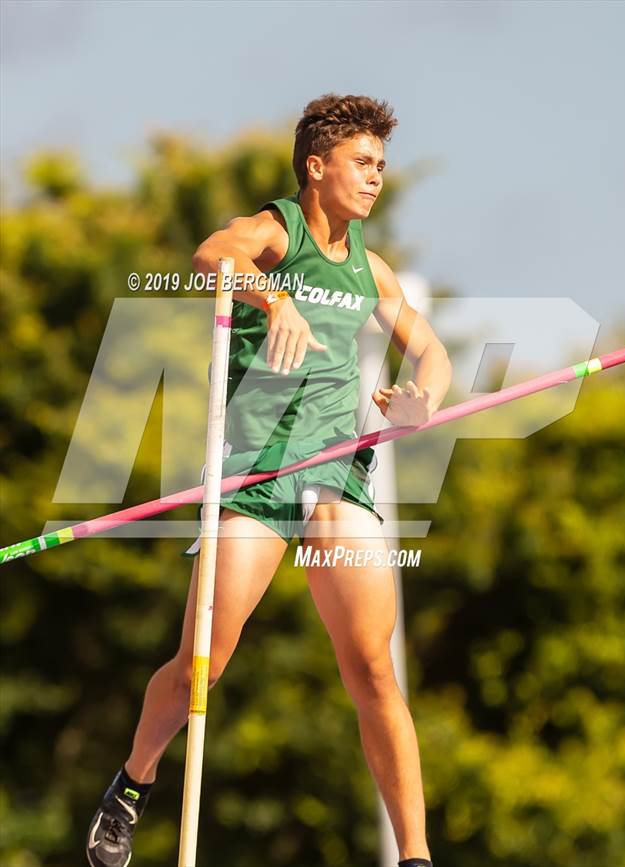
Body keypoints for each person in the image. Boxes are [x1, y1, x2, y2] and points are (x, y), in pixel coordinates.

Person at [86, 93, 451, 867]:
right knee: (203, 663)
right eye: (362, 162)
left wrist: (424, 398)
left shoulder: (371, 268)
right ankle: (131, 782)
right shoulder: (275, 230)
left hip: (332, 477)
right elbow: (211, 255)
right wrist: (273, 296)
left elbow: (432, 353)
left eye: (382, 165)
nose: (375, 178)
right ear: (316, 167)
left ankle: (416, 855)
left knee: (375, 669)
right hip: (257, 478)